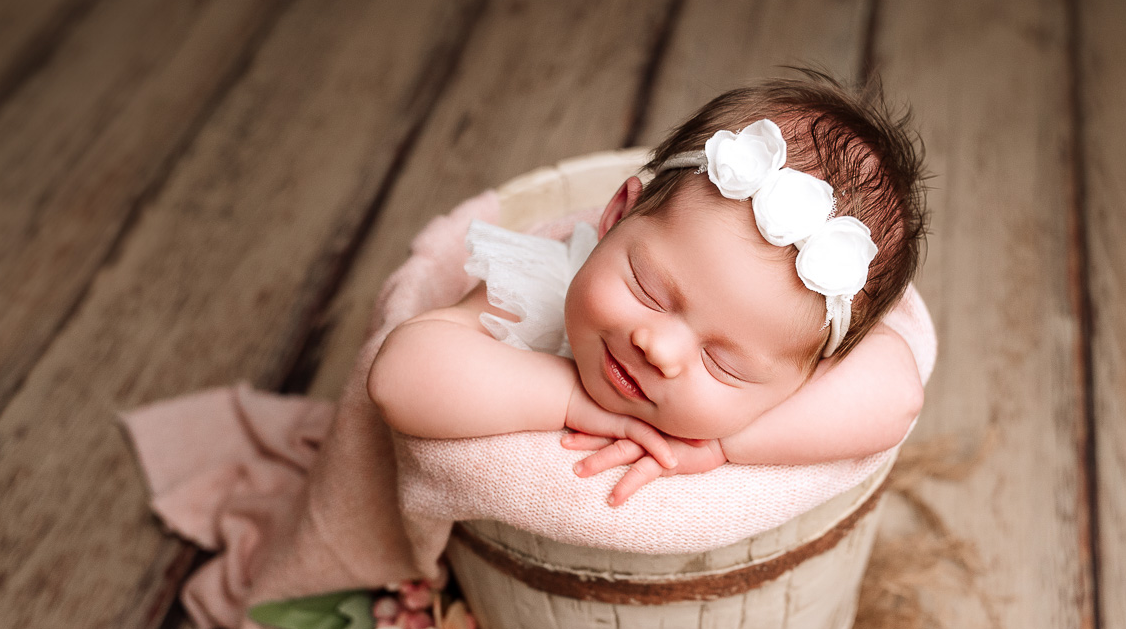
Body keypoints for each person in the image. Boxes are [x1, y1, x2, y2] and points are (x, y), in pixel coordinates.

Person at [369, 72, 929, 506]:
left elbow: (897, 395)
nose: (658, 349)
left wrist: (722, 445)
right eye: (649, 291)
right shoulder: (544, 286)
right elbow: (401, 376)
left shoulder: (795, 368)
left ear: (803, 378)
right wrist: (569, 398)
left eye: (722, 364)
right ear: (616, 217)